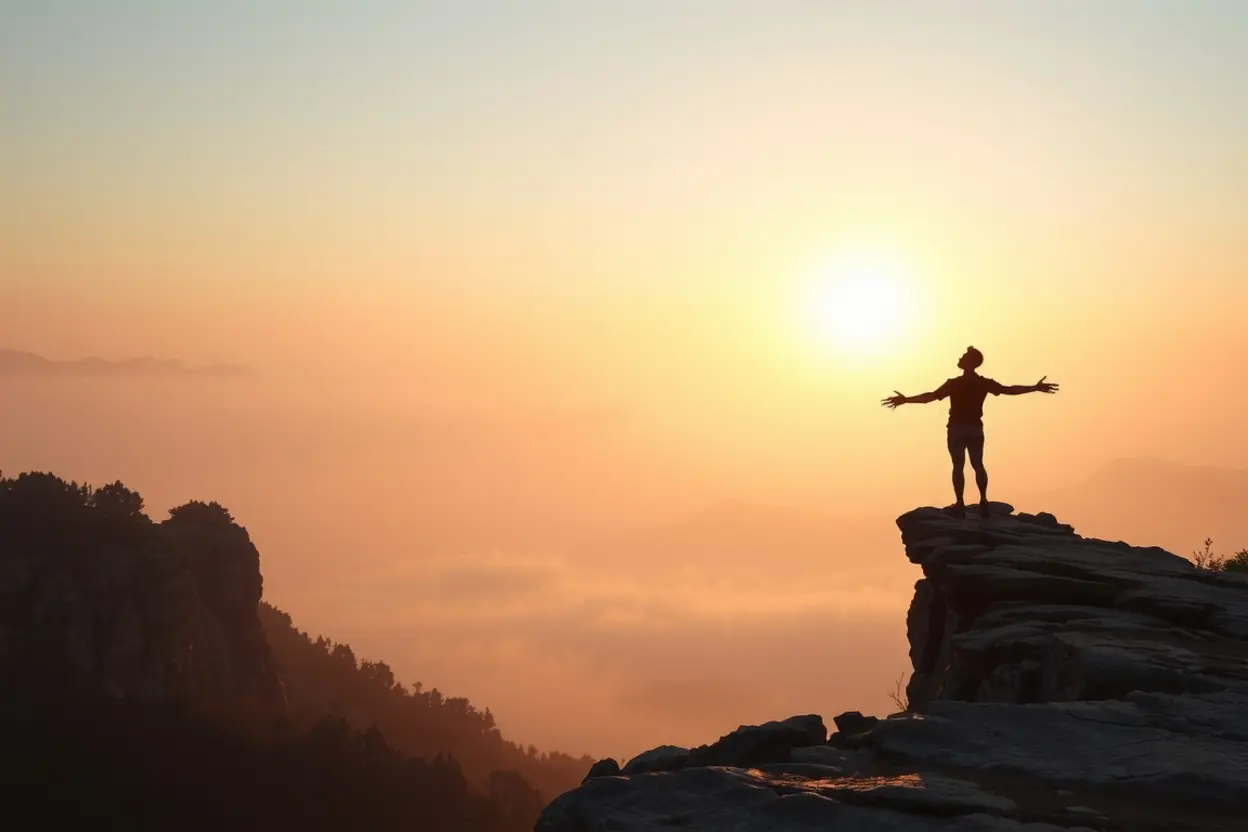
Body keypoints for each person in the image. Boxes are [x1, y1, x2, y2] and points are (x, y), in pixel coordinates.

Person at [881, 346, 1058, 517]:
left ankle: (960, 504)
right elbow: (1007, 389)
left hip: (957, 428)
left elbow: (931, 397)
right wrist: (1034, 388)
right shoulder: (983, 383)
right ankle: (983, 501)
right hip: (974, 428)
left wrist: (906, 400)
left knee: (958, 466)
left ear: (969, 362)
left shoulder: (955, 384)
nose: (959, 358)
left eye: (963, 357)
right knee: (978, 464)